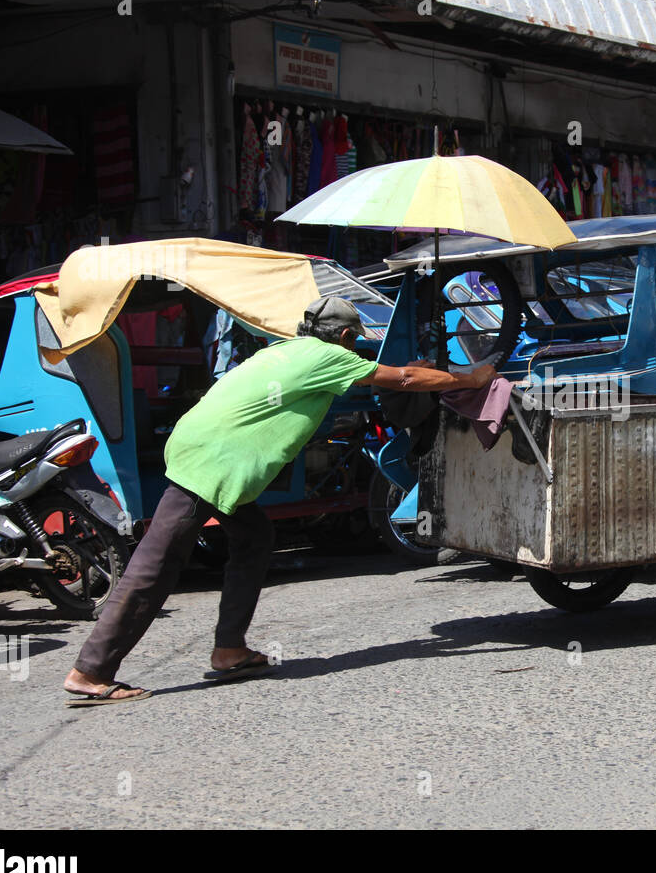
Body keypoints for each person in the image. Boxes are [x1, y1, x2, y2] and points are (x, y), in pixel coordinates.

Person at [63, 296, 494, 705]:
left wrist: (410, 370)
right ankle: (92, 671)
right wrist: (472, 378)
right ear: (344, 337)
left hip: (201, 451)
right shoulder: (329, 358)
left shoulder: (285, 351)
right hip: (213, 465)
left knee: (253, 538)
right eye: (353, 339)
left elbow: (390, 373)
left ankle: (229, 649)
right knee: (154, 566)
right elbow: (401, 379)